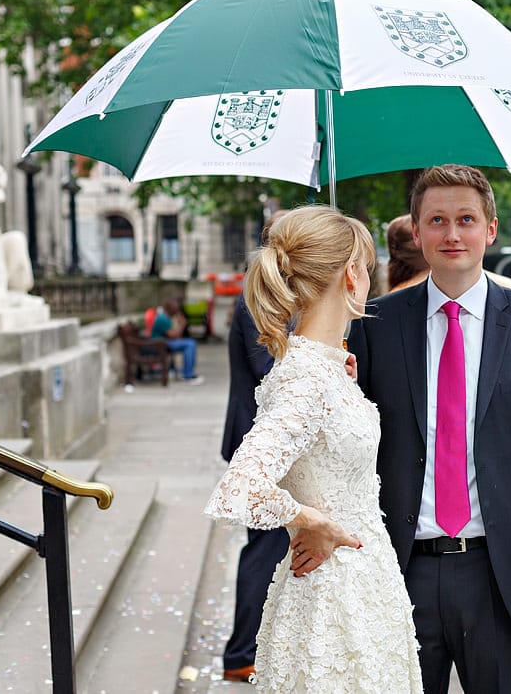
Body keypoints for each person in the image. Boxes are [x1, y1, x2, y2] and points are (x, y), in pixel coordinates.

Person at [297, 164, 511, 694]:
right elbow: (347, 447)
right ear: (416, 233)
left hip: (505, 569)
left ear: (491, 228)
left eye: (466, 219)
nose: (453, 234)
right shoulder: (375, 324)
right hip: (398, 567)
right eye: (437, 220)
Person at [204, 204, 421, 693]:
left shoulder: (323, 370)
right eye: (367, 268)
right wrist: (312, 521)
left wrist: (347, 391)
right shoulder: (306, 378)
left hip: (366, 580)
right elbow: (241, 486)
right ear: (352, 275)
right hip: (333, 591)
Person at [216, 215, 290, 684]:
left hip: (271, 440)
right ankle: (242, 652)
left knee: (273, 549)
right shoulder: (260, 299)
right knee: (264, 549)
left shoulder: (284, 296)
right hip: (263, 443)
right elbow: (271, 370)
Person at [150, 297, 204, 384]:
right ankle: (188, 374)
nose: (177, 311)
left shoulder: (166, 318)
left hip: (165, 342)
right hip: (160, 344)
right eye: (176, 309)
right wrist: (182, 324)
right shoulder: (163, 319)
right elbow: (174, 336)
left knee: (190, 343)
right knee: (190, 344)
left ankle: (188, 372)